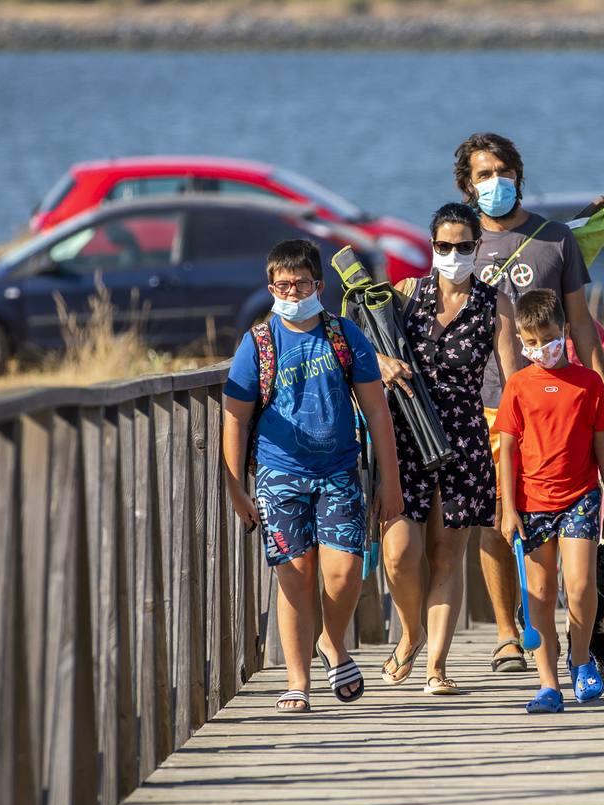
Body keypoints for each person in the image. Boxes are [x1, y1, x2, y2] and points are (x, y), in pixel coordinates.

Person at [452, 131, 604, 675]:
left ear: (519, 176)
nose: (495, 182)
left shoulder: (556, 239)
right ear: (466, 185)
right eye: (483, 175)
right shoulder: (460, 243)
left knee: (568, 506)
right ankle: (509, 633)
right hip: (483, 399)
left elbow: (582, 326)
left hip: (562, 401)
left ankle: (570, 645)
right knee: (497, 516)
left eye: (503, 171)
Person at [222, 239, 402, 713]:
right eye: (282, 284)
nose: (291, 291)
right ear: (270, 287)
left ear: (319, 285)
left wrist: (390, 479)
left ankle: (332, 641)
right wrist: (236, 486)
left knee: (343, 574)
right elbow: (236, 416)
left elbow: (377, 412)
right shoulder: (258, 343)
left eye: (300, 283)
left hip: (339, 469)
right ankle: (297, 679)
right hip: (279, 474)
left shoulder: (344, 336)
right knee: (294, 574)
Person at [373, 203, 519, 695]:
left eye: (462, 246)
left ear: (478, 247)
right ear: (430, 247)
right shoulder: (407, 293)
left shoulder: (495, 304)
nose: (452, 255)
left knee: (446, 554)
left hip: (465, 437)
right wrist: (381, 361)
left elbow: (514, 382)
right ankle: (410, 633)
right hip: (408, 434)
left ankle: (435, 666)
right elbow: (351, 342)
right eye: (442, 246)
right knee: (399, 551)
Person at [495, 289, 604, 713]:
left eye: (546, 338)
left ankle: (582, 658)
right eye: (529, 341)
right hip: (531, 501)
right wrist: (508, 508)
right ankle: (548, 684)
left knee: (583, 583)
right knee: (540, 592)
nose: (538, 349)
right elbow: (508, 450)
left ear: (564, 331)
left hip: (581, 498)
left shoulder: (589, 383)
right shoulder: (517, 386)